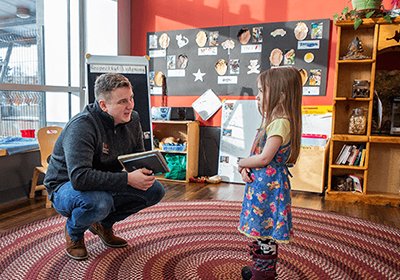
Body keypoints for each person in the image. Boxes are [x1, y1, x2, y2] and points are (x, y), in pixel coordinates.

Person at [44, 73, 165, 260]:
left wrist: (143, 170)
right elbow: (80, 178)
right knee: (100, 202)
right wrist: (127, 179)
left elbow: (136, 158)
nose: (131, 105)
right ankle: (74, 233)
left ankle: (103, 224)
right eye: (123, 101)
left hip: (102, 180)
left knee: (155, 190)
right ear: (103, 105)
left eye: (131, 98)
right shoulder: (82, 126)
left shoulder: (132, 119)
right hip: (65, 186)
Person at [237, 67, 302, 279]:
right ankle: (260, 269)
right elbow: (261, 156)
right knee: (261, 230)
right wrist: (248, 166)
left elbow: (265, 158)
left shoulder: (280, 123)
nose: (258, 96)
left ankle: (263, 275)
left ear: (280, 94)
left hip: (269, 188)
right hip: (264, 186)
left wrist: (241, 163)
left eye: (262, 91)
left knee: (266, 233)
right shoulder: (275, 121)